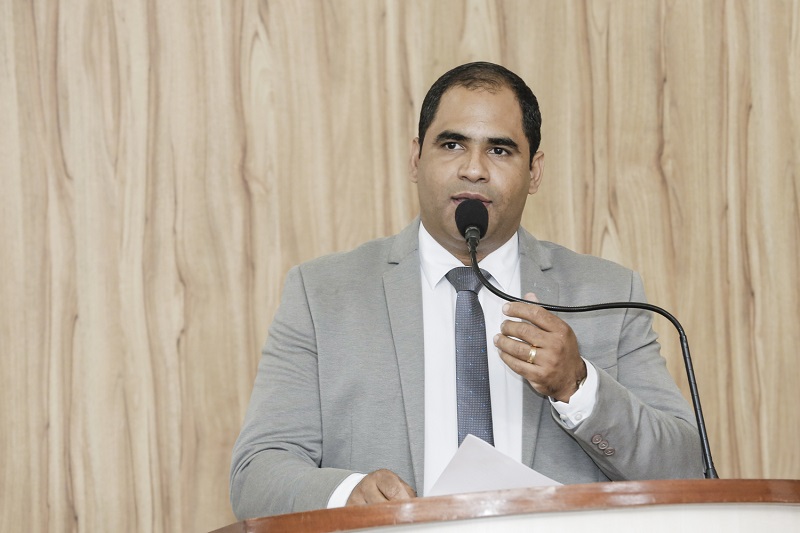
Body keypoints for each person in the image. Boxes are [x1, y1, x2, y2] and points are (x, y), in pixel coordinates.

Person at [230, 62, 703, 519]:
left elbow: (685, 469)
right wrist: (347, 494)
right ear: (416, 158)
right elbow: (257, 475)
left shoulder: (609, 295)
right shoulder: (324, 294)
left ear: (534, 172)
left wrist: (575, 385)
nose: (474, 169)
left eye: (499, 150)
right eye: (452, 144)